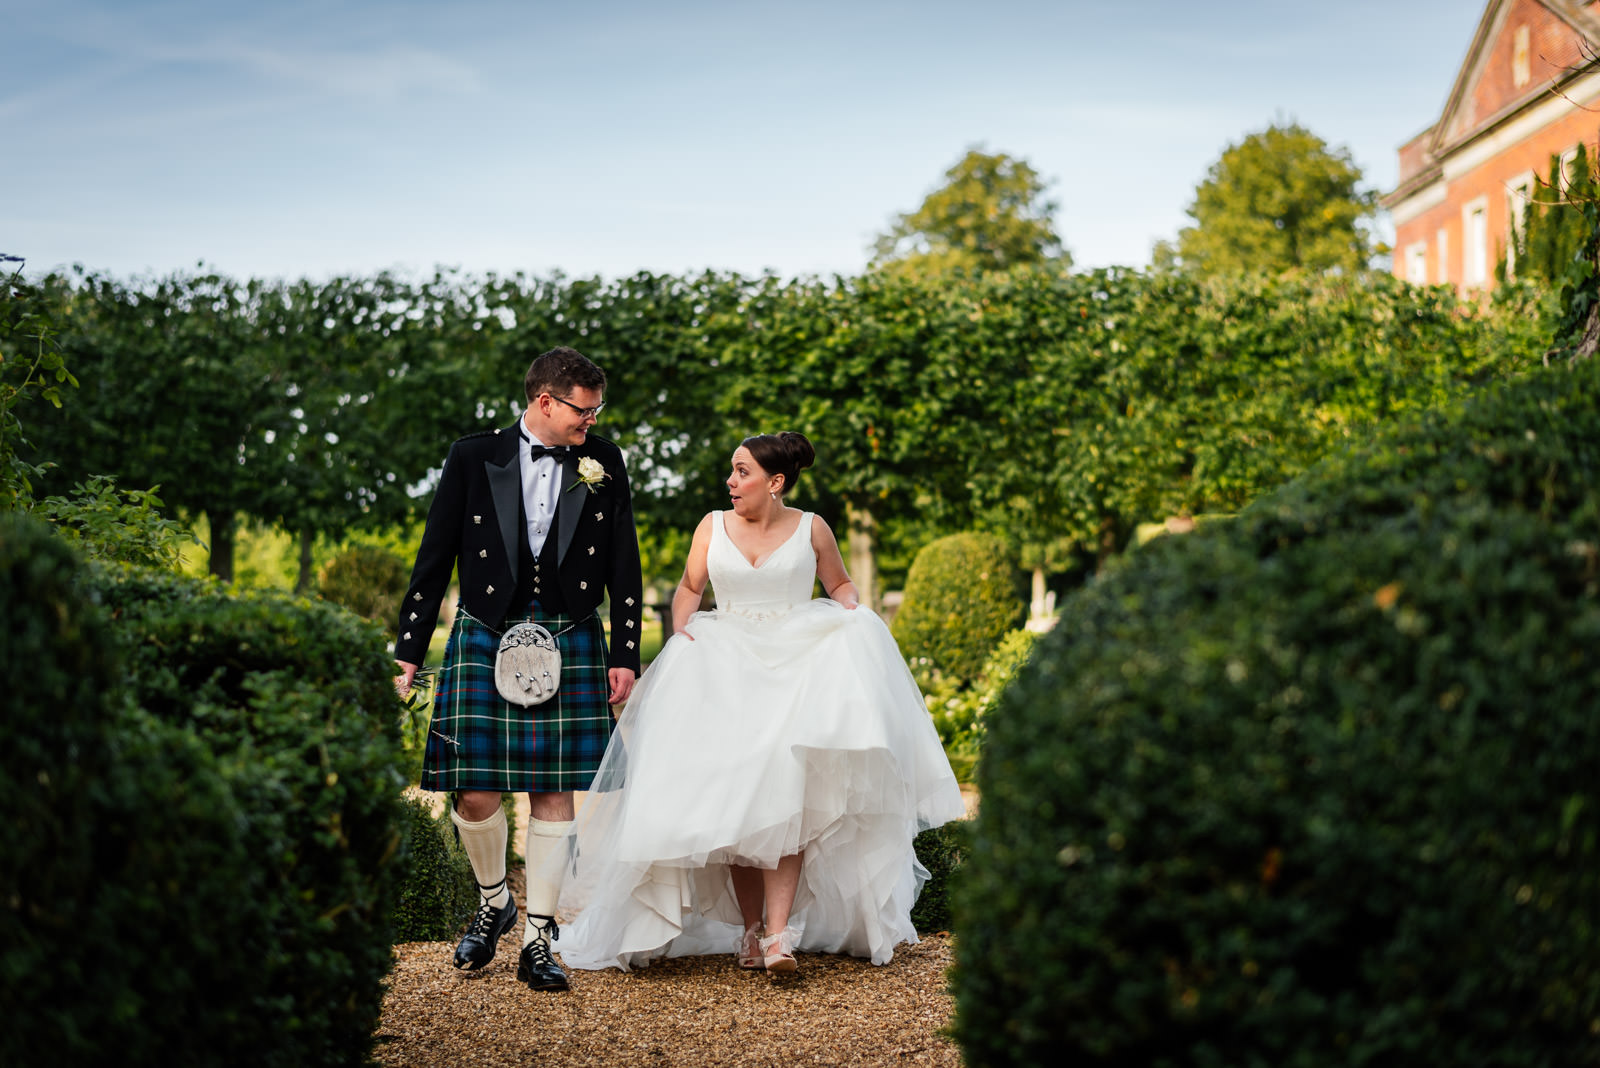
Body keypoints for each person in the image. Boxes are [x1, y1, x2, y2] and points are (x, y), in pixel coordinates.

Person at [552, 431, 965, 974]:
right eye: (732, 469)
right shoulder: (710, 526)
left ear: (775, 482)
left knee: (786, 801)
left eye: (742, 471)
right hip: (723, 672)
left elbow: (839, 586)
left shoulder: (813, 528)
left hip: (795, 672)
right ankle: (749, 931)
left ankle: (778, 936)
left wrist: (854, 615)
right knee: (735, 805)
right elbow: (688, 588)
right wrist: (682, 633)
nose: (730, 480)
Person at [394, 346, 644, 992]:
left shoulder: (604, 461)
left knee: (552, 791)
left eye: (595, 412)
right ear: (544, 401)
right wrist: (408, 653)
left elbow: (624, 563)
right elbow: (434, 556)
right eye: (582, 412)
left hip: (570, 630)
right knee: (473, 790)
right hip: (486, 628)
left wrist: (624, 656)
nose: (590, 423)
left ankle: (538, 938)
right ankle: (494, 900)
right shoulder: (473, 456)